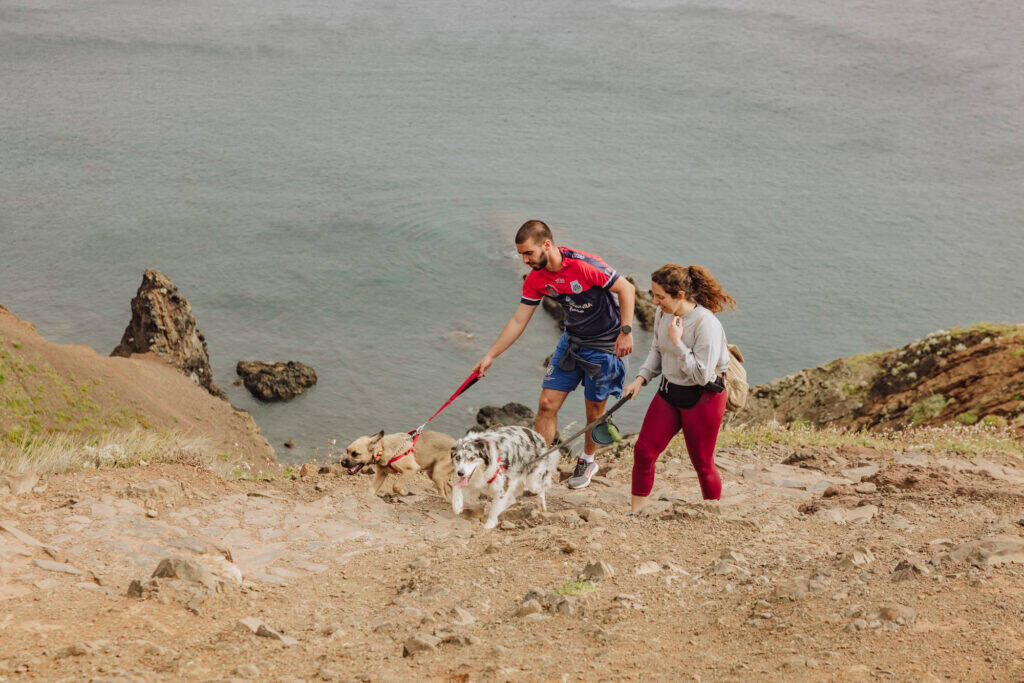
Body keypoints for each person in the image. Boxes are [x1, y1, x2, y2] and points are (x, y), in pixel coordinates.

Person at [472, 220, 636, 489]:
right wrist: (491, 355)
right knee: (547, 404)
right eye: (521, 254)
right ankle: (538, 466)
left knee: (595, 412)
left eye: (528, 253)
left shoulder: (585, 266)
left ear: (546, 245)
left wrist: (626, 331)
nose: (524, 260)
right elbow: (518, 321)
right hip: (571, 342)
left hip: (605, 346)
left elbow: (626, 289)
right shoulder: (536, 278)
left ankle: (587, 460)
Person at [622, 264, 736, 513]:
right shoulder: (663, 315)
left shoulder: (706, 324)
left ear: (680, 295)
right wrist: (640, 380)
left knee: (702, 463)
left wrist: (678, 342)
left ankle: (711, 514)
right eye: (653, 295)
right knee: (643, 451)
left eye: (660, 297)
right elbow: (656, 351)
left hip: (703, 397)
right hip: (670, 392)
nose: (654, 302)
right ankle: (636, 513)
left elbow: (702, 375)